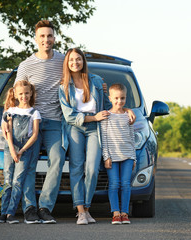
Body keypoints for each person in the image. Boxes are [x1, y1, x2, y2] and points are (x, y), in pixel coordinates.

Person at [59, 48, 135, 225]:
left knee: (92, 168)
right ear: (67, 63)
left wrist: (128, 110)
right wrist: (93, 117)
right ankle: (81, 212)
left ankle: (86, 207)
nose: (75, 63)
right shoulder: (63, 86)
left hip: (95, 128)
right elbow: (69, 115)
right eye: (71, 60)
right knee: (77, 167)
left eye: (78, 59)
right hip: (75, 127)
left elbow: (111, 105)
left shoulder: (96, 81)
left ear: (83, 61)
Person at [2, 20, 66, 224]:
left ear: (54, 38)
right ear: (36, 39)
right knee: (27, 164)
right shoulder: (26, 65)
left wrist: (101, 87)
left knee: (56, 160)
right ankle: (29, 207)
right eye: (42, 36)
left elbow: (81, 81)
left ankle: (45, 207)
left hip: (55, 121)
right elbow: (14, 95)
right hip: (28, 123)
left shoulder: (63, 61)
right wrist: (5, 118)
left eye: (49, 36)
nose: (46, 39)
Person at [0, 80, 41, 224]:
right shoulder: (11, 111)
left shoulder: (35, 112)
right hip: (10, 148)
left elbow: (34, 134)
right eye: (20, 94)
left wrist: (21, 150)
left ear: (31, 93)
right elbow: (7, 131)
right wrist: (13, 150)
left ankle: (11, 213)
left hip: (25, 149)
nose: (24, 96)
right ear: (15, 94)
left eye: (27, 93)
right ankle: (3, 212)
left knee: (18, 181)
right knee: (8, 180)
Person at [102, 83, 136, 225]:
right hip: (113, 157)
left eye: (122, 98)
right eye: (116, 98)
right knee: (114, 184)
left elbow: (132, 137)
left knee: (126, 184)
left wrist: (133, 157)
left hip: (128, 155)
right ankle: (116, 213)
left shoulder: (128, 116)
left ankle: (124, 213)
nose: (119, 101)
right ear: (110, 98)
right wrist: (106, 157)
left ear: (125, 98)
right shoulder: (107, 116)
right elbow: (104, 138)